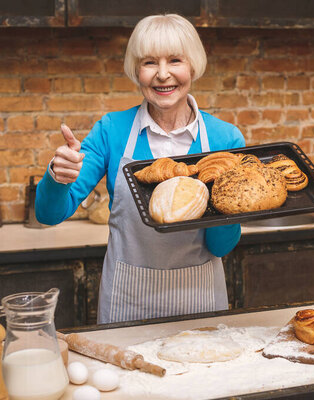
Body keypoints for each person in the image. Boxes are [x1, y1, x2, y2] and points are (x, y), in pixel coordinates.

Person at [35, 14, 245, 324]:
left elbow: (221, 245)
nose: (163, 74)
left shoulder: (224, 139)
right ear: (136, 71)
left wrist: (225, 207)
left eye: (175, 60)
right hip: (127, 299)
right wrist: (58, 176)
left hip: (199, 298)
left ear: (193, 67)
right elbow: (49, 214)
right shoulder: (111, 130)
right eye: (149, 63)